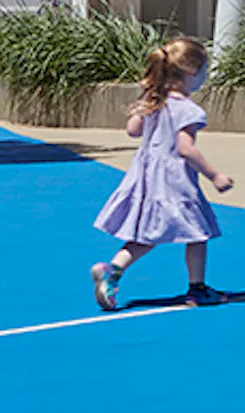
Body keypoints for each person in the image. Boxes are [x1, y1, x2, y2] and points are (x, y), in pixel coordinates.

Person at [91, 36, 234, 309]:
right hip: (175, 181)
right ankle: (197, 288)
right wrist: (214, 175)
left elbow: (133, 130)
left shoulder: (155, 101)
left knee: (149, 231)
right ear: (192, 73)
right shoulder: (189, 110)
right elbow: (185, 148)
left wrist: (144, 104)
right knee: (197, 233)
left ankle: (113, 269)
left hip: (147, 178)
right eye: (203, 71)